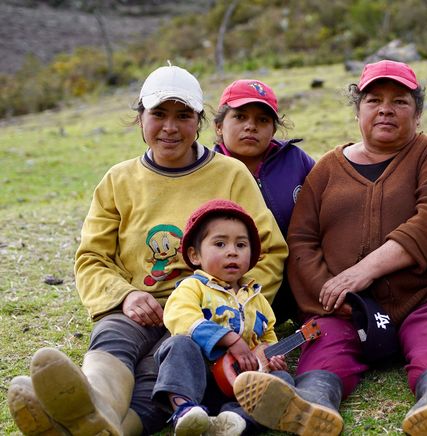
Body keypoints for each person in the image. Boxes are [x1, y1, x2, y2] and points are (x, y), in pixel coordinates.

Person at [7, 64, 288, 436]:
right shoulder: (118, 180)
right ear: (140, 117)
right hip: (139, 310)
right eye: (158, 114)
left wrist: (231, 310)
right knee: (114, 338)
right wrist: (125, 296)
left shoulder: (231, 175)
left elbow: (269, 252)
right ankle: (94, 401)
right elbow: (91, 259)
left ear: (200, 121)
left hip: (202, 316)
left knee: (163, 374)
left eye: (183, 116)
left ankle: (91, 424)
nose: (170, 128)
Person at [230, 60, 427, 436]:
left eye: (400, 101)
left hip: (423, 297)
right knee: (325, 351)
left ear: (418, 111)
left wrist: (360, 273)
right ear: (358, 109)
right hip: (342, 310)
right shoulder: (326, 168)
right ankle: (310, 406)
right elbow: (302, 241)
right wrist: (329, 295)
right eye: (374, 99)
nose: (386, 109)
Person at [152, 199, 290, 435]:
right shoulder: (192, 287)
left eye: (241, 245)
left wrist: (272, 357)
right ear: (195, 255)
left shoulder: (257, 299)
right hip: (199, 378)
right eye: (220, 243)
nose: (232, 252)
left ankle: (235, 421)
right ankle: (185, 410)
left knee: (283, 379)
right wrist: (229, 339)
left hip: (239, 384)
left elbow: (268, 335)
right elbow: (180, 318)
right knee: (178, 344)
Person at [213, 79, 315, 323]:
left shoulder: (296, 160)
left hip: (301, 280)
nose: (251, 126)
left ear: (274, 129)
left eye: (262, 120)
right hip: (237, 288)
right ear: (219, 126)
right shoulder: (208, 172)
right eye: (240, 117)